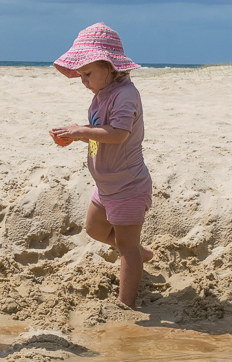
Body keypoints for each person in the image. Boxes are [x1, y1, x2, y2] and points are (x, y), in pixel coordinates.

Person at [50, 23, 154, 309]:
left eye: (87, 73)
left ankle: (126, 303)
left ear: (109, 67)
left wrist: (81, 131)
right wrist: (79, 135)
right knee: (95, 230)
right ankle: (140, 252)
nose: (82, 80)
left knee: (126, 249)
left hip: (128, 186)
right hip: (107, 184)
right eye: (80, 74)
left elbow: (119, 134)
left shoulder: (125, 95)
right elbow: (102, 137)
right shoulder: (101, 96)